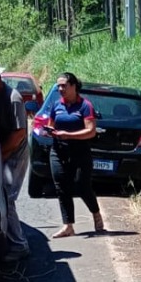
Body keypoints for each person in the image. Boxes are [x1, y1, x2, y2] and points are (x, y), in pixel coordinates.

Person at [0, 58, 31, 261]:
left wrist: (0, 155)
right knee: (0, 196)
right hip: (2, 151)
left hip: (15, 154)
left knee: (8, 198)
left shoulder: (13, 98)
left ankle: (19, 245)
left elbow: (19, 134)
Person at [48, 72, 104, 238]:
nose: (60, 89)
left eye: (64, 85)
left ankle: (96, 214)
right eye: (58, 86)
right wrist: (50, 132)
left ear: (73, 86)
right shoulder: (56, 105)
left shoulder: (85, 106)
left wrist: (69, 135)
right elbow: (51, 125)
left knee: (82, 186)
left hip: (80, 152)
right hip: (58, 151)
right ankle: (68, 226)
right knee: (61, 187)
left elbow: (91, 131)